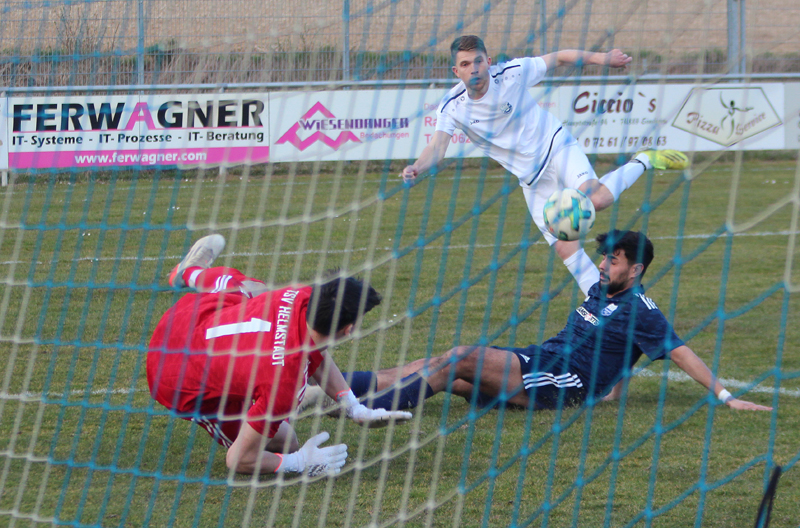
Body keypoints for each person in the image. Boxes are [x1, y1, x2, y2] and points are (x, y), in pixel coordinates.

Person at [315, 231, 771, 414]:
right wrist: (554, 211)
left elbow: (680, 352)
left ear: (635, 270)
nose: (603, 263)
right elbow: (567, 248)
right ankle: (325, 389)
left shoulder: (642, 310)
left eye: (613, 259)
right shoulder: (601, 288)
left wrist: (727, 397)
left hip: (561, 382)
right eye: (604, 256)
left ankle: (367, 410)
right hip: (542, 361)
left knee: (460, 358)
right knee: (441, 367)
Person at [401, 35, 690, 296]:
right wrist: (416, 167)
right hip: (532, 180)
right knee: (566, 247)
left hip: (556, 147)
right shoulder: (452, 106)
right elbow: (437, 147)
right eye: (465, 64)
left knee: (597, 199)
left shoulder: (511, 73)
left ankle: (644, 159)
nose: (474, 69)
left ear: (488, 61)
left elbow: (559, 58)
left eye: (478, 61)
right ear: (457, 71)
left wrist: (603, 59)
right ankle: (604, 305)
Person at [147, 234, 412, 477]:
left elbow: (316, 351)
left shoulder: (301, 294)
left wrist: (354, 406)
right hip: (171, 374)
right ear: (349, 329)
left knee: (253, 289)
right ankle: (190, 273)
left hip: (183, 320)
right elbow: (237, 459)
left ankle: (190, 273)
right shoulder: (284, 386)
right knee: (287, 443)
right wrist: (299, 462)